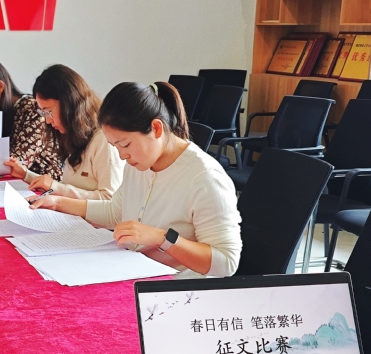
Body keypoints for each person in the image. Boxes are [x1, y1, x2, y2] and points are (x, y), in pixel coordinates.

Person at [30, 81, 242, 278]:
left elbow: (226, 262)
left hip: (174, 288)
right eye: (115, 146)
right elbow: (116, 212)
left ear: (156, 128)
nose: (122, 155)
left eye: (125, 145)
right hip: (134, 271)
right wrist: (59, 203)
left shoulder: (204, 178)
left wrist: (162, 238)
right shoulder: (140, 163)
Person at [4, 65, 123, 200]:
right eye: (43, 113)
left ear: (69, 104)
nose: (47, 120)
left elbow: (109, 199)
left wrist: (56, 188)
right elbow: (72, 188)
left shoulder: (103, 140)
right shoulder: (74, 136)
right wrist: (26, 175)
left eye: (48, 111)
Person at [0, 56, 62, 179]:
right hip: (11, 180)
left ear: (0, 86)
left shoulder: (32, 109)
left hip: (42, 182)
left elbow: (18, 162)